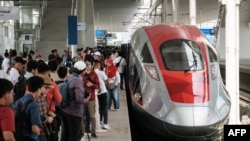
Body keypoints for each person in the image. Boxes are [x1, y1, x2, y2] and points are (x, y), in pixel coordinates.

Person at [60, 61, 87, 141]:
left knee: (65, 132)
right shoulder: (78, 81)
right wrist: (85, 100)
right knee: (74, 135)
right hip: (74, 112)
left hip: (65, 110)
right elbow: (79, 99)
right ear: (83, 71)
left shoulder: (69, 76)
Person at [14, 76, 44, 140]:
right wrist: (39, 131)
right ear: (38, 90)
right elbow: (34, 128)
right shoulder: (34, 105)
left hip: (19, 135)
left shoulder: (19, 100)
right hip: (29, 137)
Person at [81, 60, 100, 138]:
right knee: (81, 116)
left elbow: (98, 86)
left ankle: (93, 131)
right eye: (86, 65)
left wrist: (92, 84)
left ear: (92, 66)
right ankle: (82, 131)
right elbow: (79, 83)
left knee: (92, 116)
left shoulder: (94, 74)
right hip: (82, 97)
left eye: (89, 65)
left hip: (91, 97)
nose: (88, 67)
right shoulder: (82, 75)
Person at [93, 60, 111, 130]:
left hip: (96, 93)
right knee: (105, 108)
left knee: (99, 108)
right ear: (99, 66)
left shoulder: (92, 73)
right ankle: (105, 124)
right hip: (103, 92)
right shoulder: (101, 72)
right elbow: (106, 80)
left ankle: (99, 121)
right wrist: (108, 87)